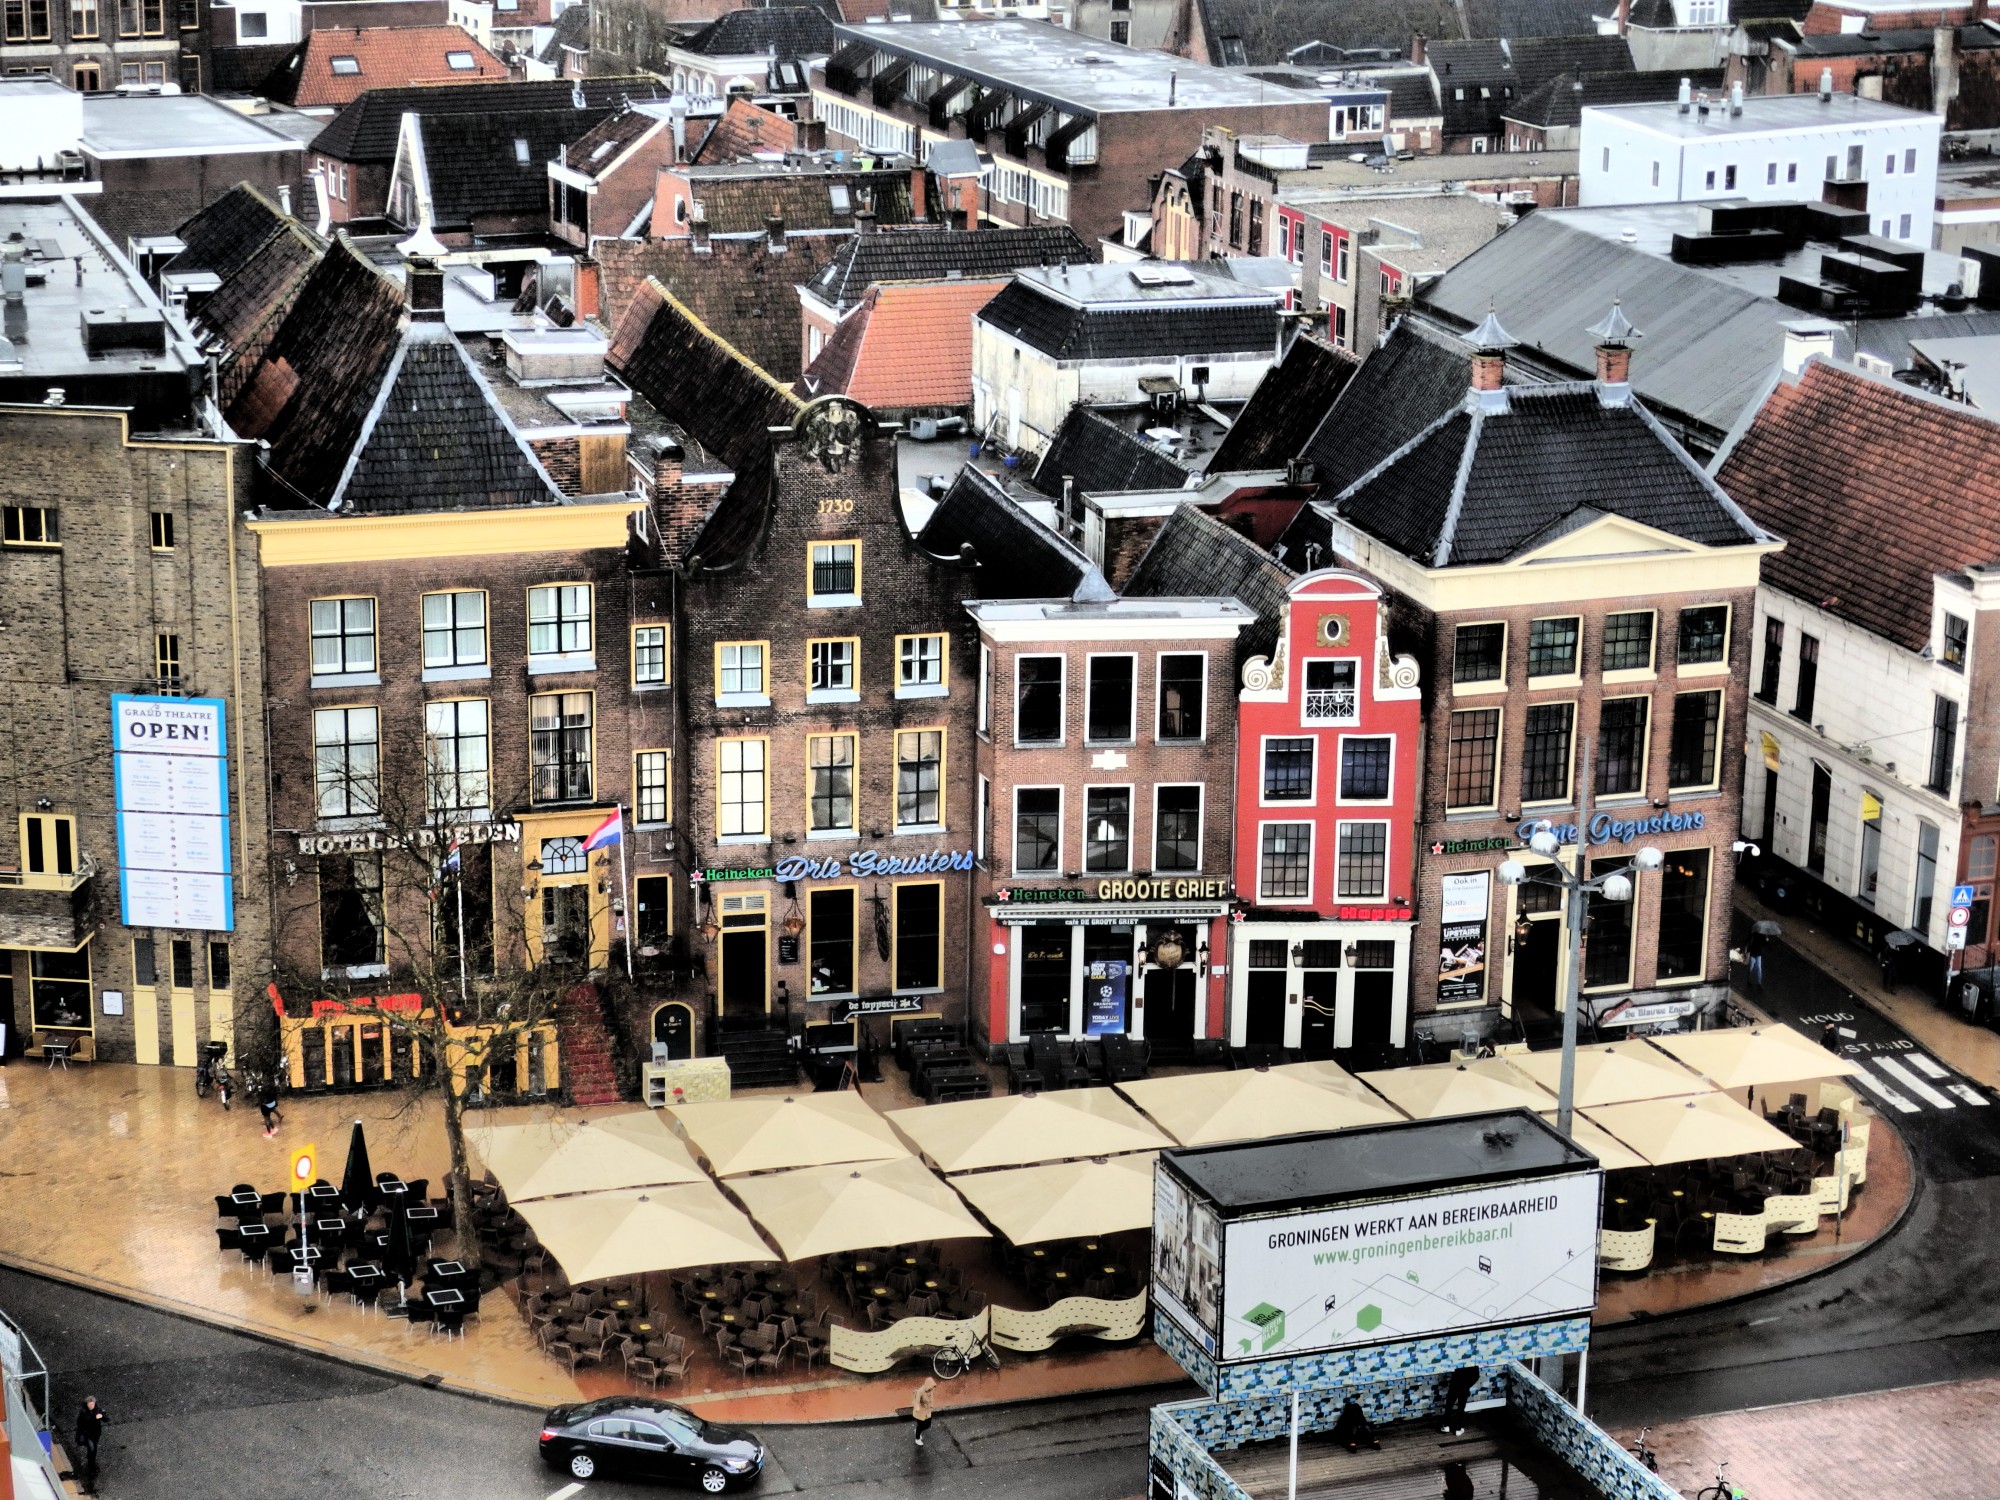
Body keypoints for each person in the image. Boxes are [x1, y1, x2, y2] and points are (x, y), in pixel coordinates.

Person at [74, 1395, 107, 1492]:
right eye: (90, 1404)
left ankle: (91, 1461)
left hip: (96, 1433)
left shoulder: (98, 1410)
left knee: (93, 1447)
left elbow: (106, 1418)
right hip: (87, 1433)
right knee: (91, 1447)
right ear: (87, 1404)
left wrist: (102, 1416)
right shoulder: (83, 1412)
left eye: (93, 1404)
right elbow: (79, 1423)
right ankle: (91, 1464)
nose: (92, 1406)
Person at [1439, 1366, 1478, 1436]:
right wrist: (1467, 1385)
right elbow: (1476, 1376)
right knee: (1461, 1407)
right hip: (1465, 1388)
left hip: (1455, 1385)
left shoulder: (1461, 1362)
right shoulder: (1473, 1363)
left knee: (1449, 1405)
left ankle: (1446, 1425)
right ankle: (1458, 1428)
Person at [911, 1375, 937, 1448]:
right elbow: (917, 1401)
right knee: (921, 1425)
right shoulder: (920, 1391)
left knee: (928, 1425)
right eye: (932, 1386)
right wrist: (917, 1408)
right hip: (920, 1411)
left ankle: (917, 1430)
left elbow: (932, 1397)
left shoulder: (931, 1390)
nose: (933, 1388)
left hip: (927, 1410)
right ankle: (917, 1438)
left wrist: (931, 1405)